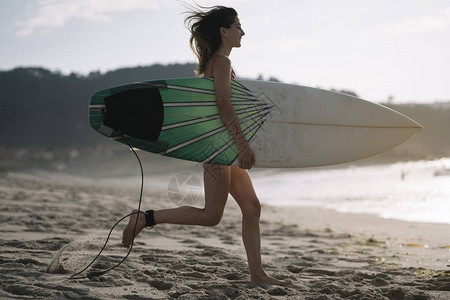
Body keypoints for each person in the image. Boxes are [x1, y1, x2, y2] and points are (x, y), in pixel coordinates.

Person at [122, 5, 290, 286]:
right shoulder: (221, 63)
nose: (243, 31)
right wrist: (243, 145)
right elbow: (224, 106)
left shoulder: (215, 62)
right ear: (224, 31)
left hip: (222, 148)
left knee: (251, 208)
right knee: (212, 215)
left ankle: (258, 274)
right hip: (220, 149)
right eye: (238, 26)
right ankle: (145, 217)